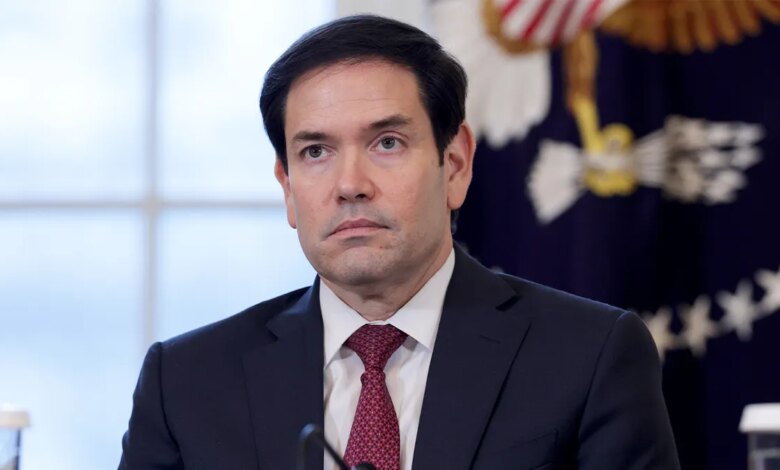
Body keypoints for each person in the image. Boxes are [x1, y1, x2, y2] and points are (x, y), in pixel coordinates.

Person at [119, 14, 680, 470]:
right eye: (315, 151)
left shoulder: (589, 356)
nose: (350, 185)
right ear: (287, 188)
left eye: (387, 142)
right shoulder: (186, 382)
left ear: (455, 164)